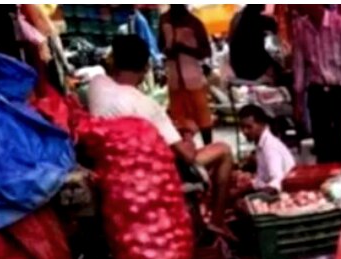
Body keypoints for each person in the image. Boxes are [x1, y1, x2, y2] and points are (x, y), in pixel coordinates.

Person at [89, 35, 234, 231]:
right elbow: (188, 157)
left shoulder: (96, 86)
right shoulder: (145, 105)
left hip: (113, 167)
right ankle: (217, 221)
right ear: (146, 67)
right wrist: (189, 133)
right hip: (152, 173)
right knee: (223, 150)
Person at [291, 5, 341, 163]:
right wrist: (298, 102)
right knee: (321, 141)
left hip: (338, 90)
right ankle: (325, 179)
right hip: (316, 91)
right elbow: (299, 65)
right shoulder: (301, 27)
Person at [159, 6, 214, 145]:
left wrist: (184, 49)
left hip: (193, 78)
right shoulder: (163, 20)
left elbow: (206, 52)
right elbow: (160, 44)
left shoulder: (194, 22)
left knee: (203, 119)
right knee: (178, 121)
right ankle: (184, 154)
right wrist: (168, 50)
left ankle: (209, 149)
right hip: (174, 78)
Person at [237, 104, 295, 193]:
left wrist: (254, 198)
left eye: (249, 127)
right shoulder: (261, 144)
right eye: (242, 127)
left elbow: (276, 181)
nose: (245, 131)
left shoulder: (270, 146)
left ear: (262, 124)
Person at [228, 4, 280, 82]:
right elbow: (272, 25)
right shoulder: (253, 20)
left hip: (240, 67)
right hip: (248, 68)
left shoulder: (243, 18)